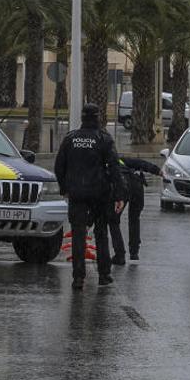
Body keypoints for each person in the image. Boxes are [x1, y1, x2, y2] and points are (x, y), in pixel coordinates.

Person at [54, 103, 125, 290]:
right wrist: (119, 194)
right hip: (99, 194)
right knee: (101, 233)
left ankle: (78, 278)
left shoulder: (70, 139)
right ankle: (104, 274)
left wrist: (65, 188)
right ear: (98, 117)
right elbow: (114, 168)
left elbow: (59, 166)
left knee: (78, 235)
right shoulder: (103, 139)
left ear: (82, 117)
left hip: (76, 194)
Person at [109, 156, 161, 264]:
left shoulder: (104, 162)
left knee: (113, 220)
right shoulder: (120, 159)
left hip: (123, 188)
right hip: (137, 185)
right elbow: (140, 162)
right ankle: (134, 252)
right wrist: (157, 171)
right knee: (134, 219)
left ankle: (120, 255)